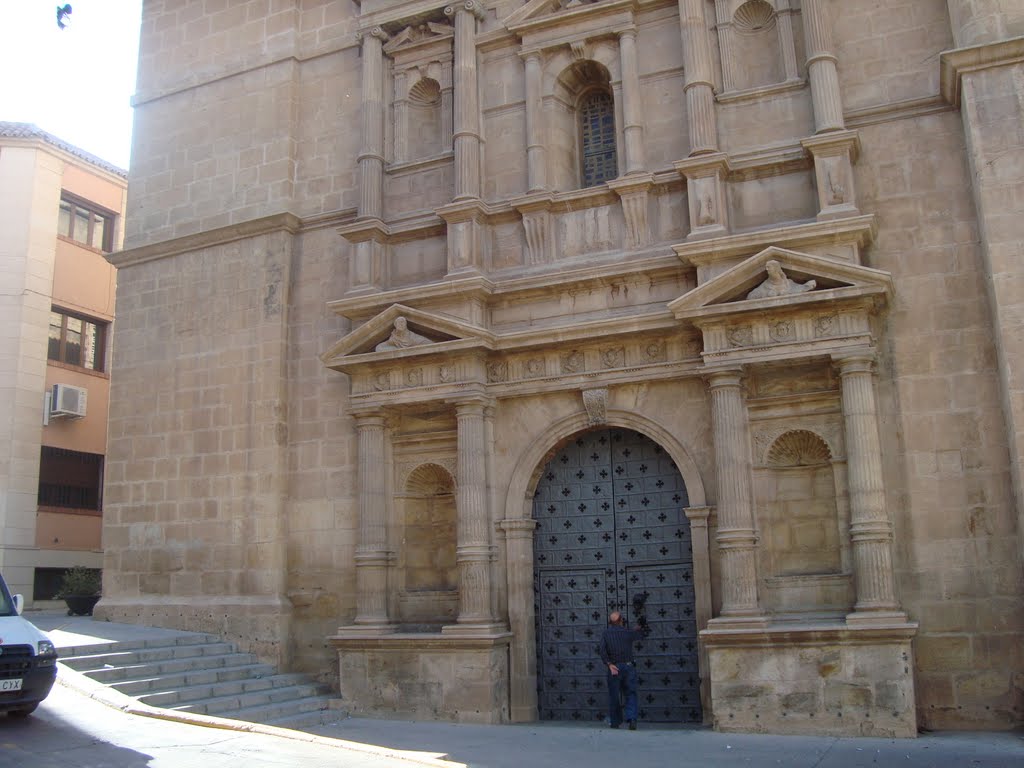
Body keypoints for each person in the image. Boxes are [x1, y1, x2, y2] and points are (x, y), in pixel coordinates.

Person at [598, 610, 646, 730]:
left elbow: (602, 650)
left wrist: (609, 664)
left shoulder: (606, 634)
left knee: (614, 695)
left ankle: (615, 722)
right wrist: (640, 627)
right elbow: (640, 635)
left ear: (610, 622)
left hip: (614, 668)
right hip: (629, 666)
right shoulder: (628, 632)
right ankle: (632, 719)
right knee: (630, 693)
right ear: (621, 620)